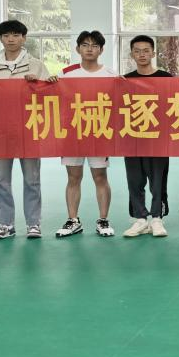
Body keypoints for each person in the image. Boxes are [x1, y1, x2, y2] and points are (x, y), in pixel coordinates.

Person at [0, 20, 53, 240]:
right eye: (6, 35)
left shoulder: (36, 66)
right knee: (1, 179)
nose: (11, 39)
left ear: (24, 38)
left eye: (16, 35)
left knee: (32, 179)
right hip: (0, 132)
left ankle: (33, 224)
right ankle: (5, 224)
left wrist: (37, 85)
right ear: (0, 38)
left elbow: (49, 96)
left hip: (29, 130)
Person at [55, 30, 118, 239]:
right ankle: (73, 220)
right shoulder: (66, 74)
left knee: (100, 176)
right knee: (73, 177)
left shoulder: (111, 75)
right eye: (85, 45)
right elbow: (53, 97)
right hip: (73, 132)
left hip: (99, 131)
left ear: (101, 50)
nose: (89, 49)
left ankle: (103, 220)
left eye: (94, 46)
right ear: (77, 49)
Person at [122, 35, 172, 239]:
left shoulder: (167, 78)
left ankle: (157, 218)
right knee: (134, 180)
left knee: (158, 181)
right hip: (132, 138)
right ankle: (140, 219)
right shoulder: (125, 80)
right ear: (132, 54)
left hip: (158, 139)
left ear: (153, 53)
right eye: (137, 51)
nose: (142, 54)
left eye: (146, 51)